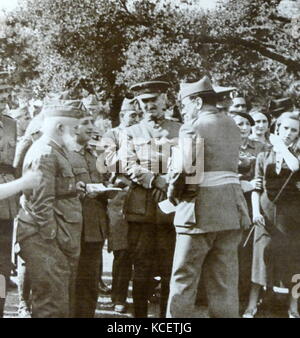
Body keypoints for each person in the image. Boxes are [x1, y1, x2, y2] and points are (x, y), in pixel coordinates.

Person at [166, 76, 251, 318]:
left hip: (198, 212)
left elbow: (183, 170)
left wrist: (172, 195)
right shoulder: (232, 125)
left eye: (184, 104)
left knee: (184, 279)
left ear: (196, 102)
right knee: (223, 281)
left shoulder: (192, 127)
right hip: (230, 210)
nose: (183, 110)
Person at [16, 93, 86, 318]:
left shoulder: (56, 150)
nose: (78, 133)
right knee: (51, 306)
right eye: (75, 128)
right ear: (59, 126)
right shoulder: (45, 153)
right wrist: (54, 238)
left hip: (56, 240)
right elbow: (40, 205)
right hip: (47, 240)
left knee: (58, 302)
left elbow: (55, 191)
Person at [121, 80, 181, 317]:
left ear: (165, 100)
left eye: (154, 100)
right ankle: (139, 317)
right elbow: (127, 164)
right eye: (144, 102)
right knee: (142, 266)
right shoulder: (131, 132)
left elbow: (191, 162)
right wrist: (156, 180)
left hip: (172, 205)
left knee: (169, 267)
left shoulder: (180, 129)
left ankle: (167, 318)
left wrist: (171, 183)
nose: (149, 106)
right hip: (141, 208)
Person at [243, 112, 300, 318]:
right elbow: (257, 187)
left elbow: (295, 167)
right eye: (285, 128)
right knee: (261, 258)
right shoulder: (262, 155)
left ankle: (293, 307)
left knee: (295, 261)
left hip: (292, 215)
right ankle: (252, 304)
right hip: (265, 212)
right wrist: (256, 211)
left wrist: (282, 146)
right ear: (278, 128)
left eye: (294, 130)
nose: (289, 133)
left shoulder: (296, 155)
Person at [101, 97, 141, 313]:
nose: (136, 118)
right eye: (132, 114)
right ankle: (119, 296)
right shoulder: (112, 135)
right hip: (120, 198)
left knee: (143, 249)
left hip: (143, 196)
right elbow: (110, 163)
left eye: (138, 114)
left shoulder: (146, 133)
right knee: (122, 250)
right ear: (122, 115)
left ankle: (144, 293)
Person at [68, 111, 109, 318]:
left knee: (90, 281)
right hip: (71, 227)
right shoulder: (64, 153)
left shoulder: (96, 154)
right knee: (71, 281)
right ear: (72, 126)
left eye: (92, 122)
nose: (91, 126)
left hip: (94, 226)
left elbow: (105, 181)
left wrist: (110, 187)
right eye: (85, 122)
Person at [0, 71, 18, 317]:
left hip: (6, 199)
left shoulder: (12, 123)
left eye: (5, 91)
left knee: (2, 260)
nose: (4, 96)